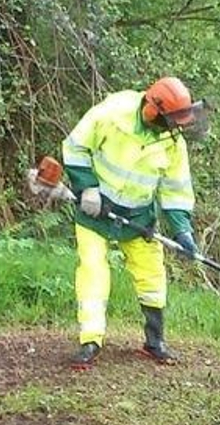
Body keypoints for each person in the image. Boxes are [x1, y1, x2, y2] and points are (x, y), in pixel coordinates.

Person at [58, 76, 207, 369]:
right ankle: (90, 341)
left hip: (138, 217)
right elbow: (75, 147)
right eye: (171, 120)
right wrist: (87, 188)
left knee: (152, 274)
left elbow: (176, 189)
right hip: (96, 211)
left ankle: (155, 341)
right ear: (153, 110)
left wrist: (183, 231)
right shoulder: (113, 112)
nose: (175, 127)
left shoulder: (173, 141)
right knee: (93, 271)